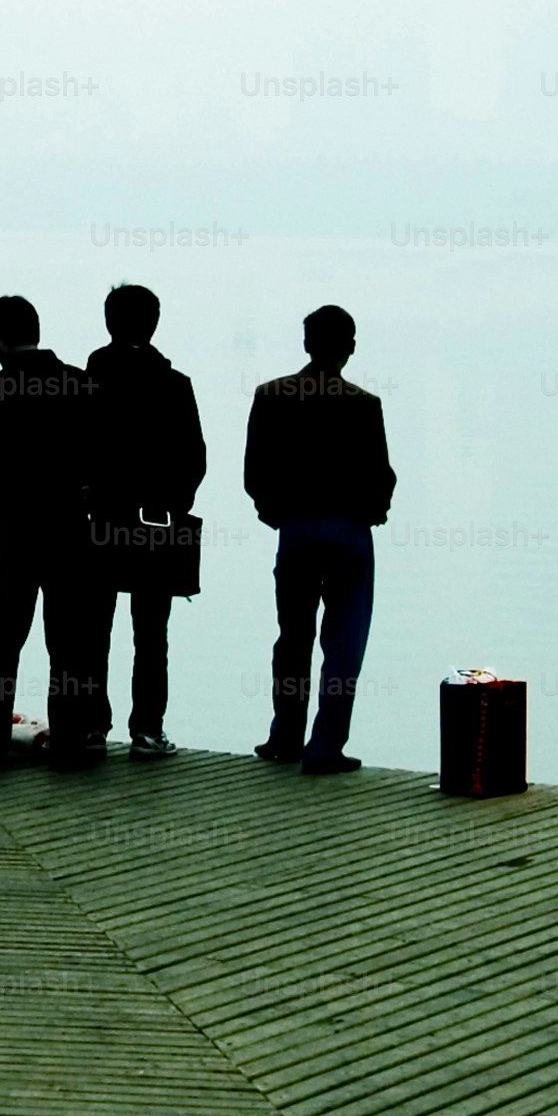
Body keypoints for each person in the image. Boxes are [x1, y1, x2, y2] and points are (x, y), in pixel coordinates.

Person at [243, 305, 394, 776]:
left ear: (307, 343)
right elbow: (381, 475)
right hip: (350, 534)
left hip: (297, 532)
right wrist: (374, 512)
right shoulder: (364, 405)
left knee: (293, 637)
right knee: (344, 644)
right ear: (351, 346)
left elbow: (255, 471)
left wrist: (275, 514)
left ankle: (285, 735)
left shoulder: (272, 396)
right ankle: (326, 745)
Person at [0, 295, 101, 769]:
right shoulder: (82, 386)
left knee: (2, 640)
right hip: (69, 534)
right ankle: (70, 743)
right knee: (69, 643)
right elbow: (98, 460)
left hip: (13, 536)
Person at [81, 282, 206, 759]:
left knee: (93, 629)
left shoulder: (86, 381)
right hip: (154, 523)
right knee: (151, 632)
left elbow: (73, 450)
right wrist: (171, 502)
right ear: (154, 324)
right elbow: (194, 457)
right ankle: (148, 730)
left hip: (98, 519)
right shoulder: (174, 384)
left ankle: (92, 727)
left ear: (108, 322)